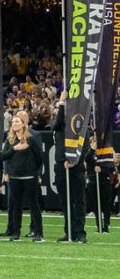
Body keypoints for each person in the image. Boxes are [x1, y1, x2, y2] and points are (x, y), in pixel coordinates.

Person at [1, 114, 44, 242]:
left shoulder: (31, 139)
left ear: (23, 124)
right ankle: (16, 232)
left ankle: (38, 233)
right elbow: (3, 157)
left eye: (17, 121)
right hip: (14, 177)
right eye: (13, 122)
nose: (14, 123)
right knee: (16, 206)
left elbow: (39, 157)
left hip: (30, 176)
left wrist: (33, 170)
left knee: (34, 205)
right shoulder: (10, 141)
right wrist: (15, 148)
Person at [52, 91, 87, 242]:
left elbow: (83, 145)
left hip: (76, 165)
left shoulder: (79, 124)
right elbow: (56, 123)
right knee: (65, 201)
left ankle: (80, 232)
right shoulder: (59, 124)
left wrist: (74, 161)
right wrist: (61, 103)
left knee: (78, 200)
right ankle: (69, 232)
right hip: (61, 165)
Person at [86, 135, 114, 233]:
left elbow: (111, 168)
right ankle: (99, 226)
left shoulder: (105, 154)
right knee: (96, 206)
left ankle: (106, 226)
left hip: (104, 181)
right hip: (93, 182)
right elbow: (87, 159)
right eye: (93, 142)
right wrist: (93, 149)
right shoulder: (90, 153)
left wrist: (102, 170)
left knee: (105, 205)